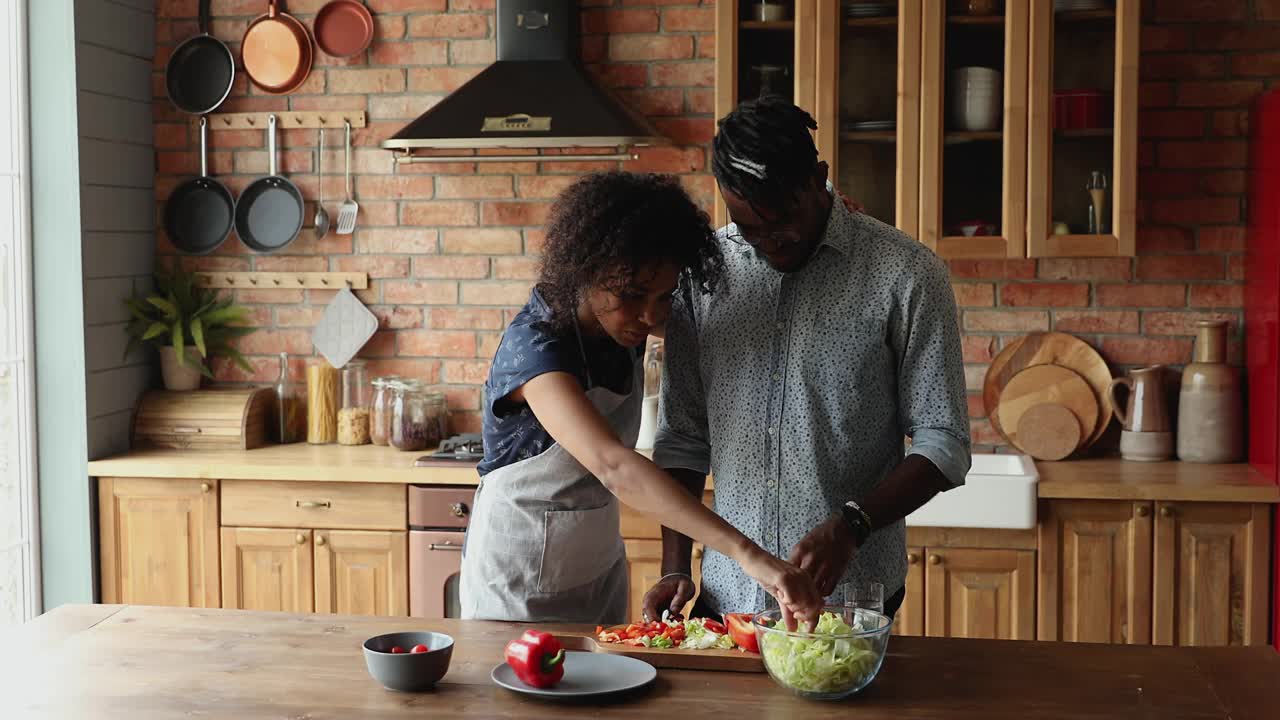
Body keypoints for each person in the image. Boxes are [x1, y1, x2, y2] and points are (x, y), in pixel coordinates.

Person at [643, 96, 972, 624]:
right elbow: (683, 436)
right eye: (750, 227)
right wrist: (674, 565)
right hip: (728, 599)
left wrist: (853, 524)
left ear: (819, 178)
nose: (770, 241)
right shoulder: (702, 278)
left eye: (784, 220)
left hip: (853, 602)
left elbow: (945, 441)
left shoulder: (906, 275)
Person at [459, 171, 823, 628]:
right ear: (585, 270)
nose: (651, 315)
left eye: (665, 296)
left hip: (597, 567)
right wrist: (751, 557)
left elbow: (730, 320)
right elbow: (614, 467)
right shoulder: (535, 349)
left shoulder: (621, 326)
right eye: (632, 295)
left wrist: (820, 223)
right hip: (514, 580)